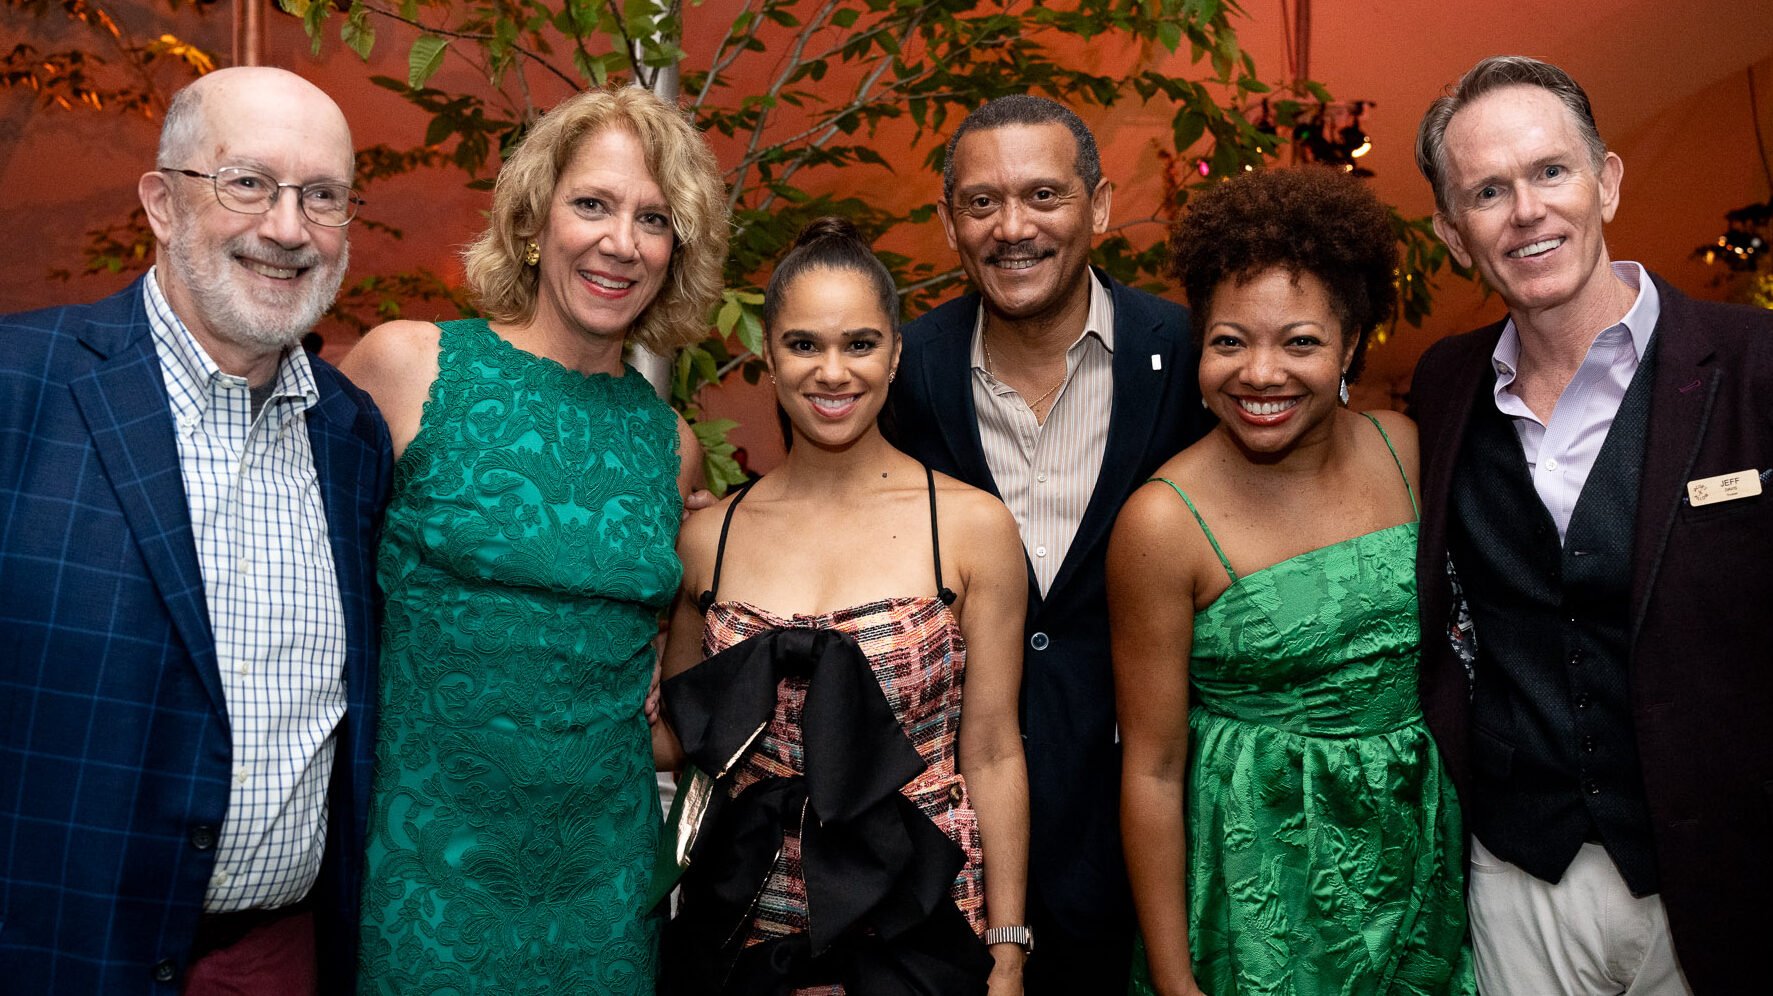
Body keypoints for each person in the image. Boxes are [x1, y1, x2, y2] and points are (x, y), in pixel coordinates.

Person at [0, 67, 391, 993]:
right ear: (162, 204)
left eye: (322, 197)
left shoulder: (350, 438)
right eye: (247, 182)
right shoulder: (19, 389)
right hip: (50, 954)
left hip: (279, 960)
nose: (288, 229)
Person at [341, 85, 726, 993]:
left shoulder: (668, 446)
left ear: (677, 253)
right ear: (531, 219)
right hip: (420, 872)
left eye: (653, 219)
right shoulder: (406, 367)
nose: (619, 242)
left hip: (602, 887)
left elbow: (677, 690)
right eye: (591, 203)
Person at [1409, 55, 1773, 996]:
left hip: (1722, 877)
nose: (1526, 210)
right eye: (1487, 191)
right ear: (1454, 234)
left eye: (1550, 171)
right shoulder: (1443, 390)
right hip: (1518, 880)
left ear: (1605, 179)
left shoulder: (1754, 367)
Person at [1110, 166, 1473, 996]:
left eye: (1299, 342)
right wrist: (1173, 980)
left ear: (1351, 345)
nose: (1259, 373)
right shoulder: (1161, 523)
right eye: (1229, 341)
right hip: (1258, 883)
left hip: (1417, 854)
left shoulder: (1404, 448)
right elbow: (1152, 770)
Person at [884, 94, 1215, 992]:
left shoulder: (1188, 356)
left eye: (1043, 196)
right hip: (948, 841)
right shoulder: (899, 370)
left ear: (1098, 206)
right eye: (982, 203)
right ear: (949, 220)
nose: (1012, 228)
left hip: (1142, 829)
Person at [658, 217, 1031, 994]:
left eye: (859, 344)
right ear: (767, 355)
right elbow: (672, 738)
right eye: (804, 345)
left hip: (922, 922)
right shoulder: (709, 538)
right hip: (746, 924)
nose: (832, 372)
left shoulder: (970, 526)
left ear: (895, 353)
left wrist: (1007, 948)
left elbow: (992, 750)